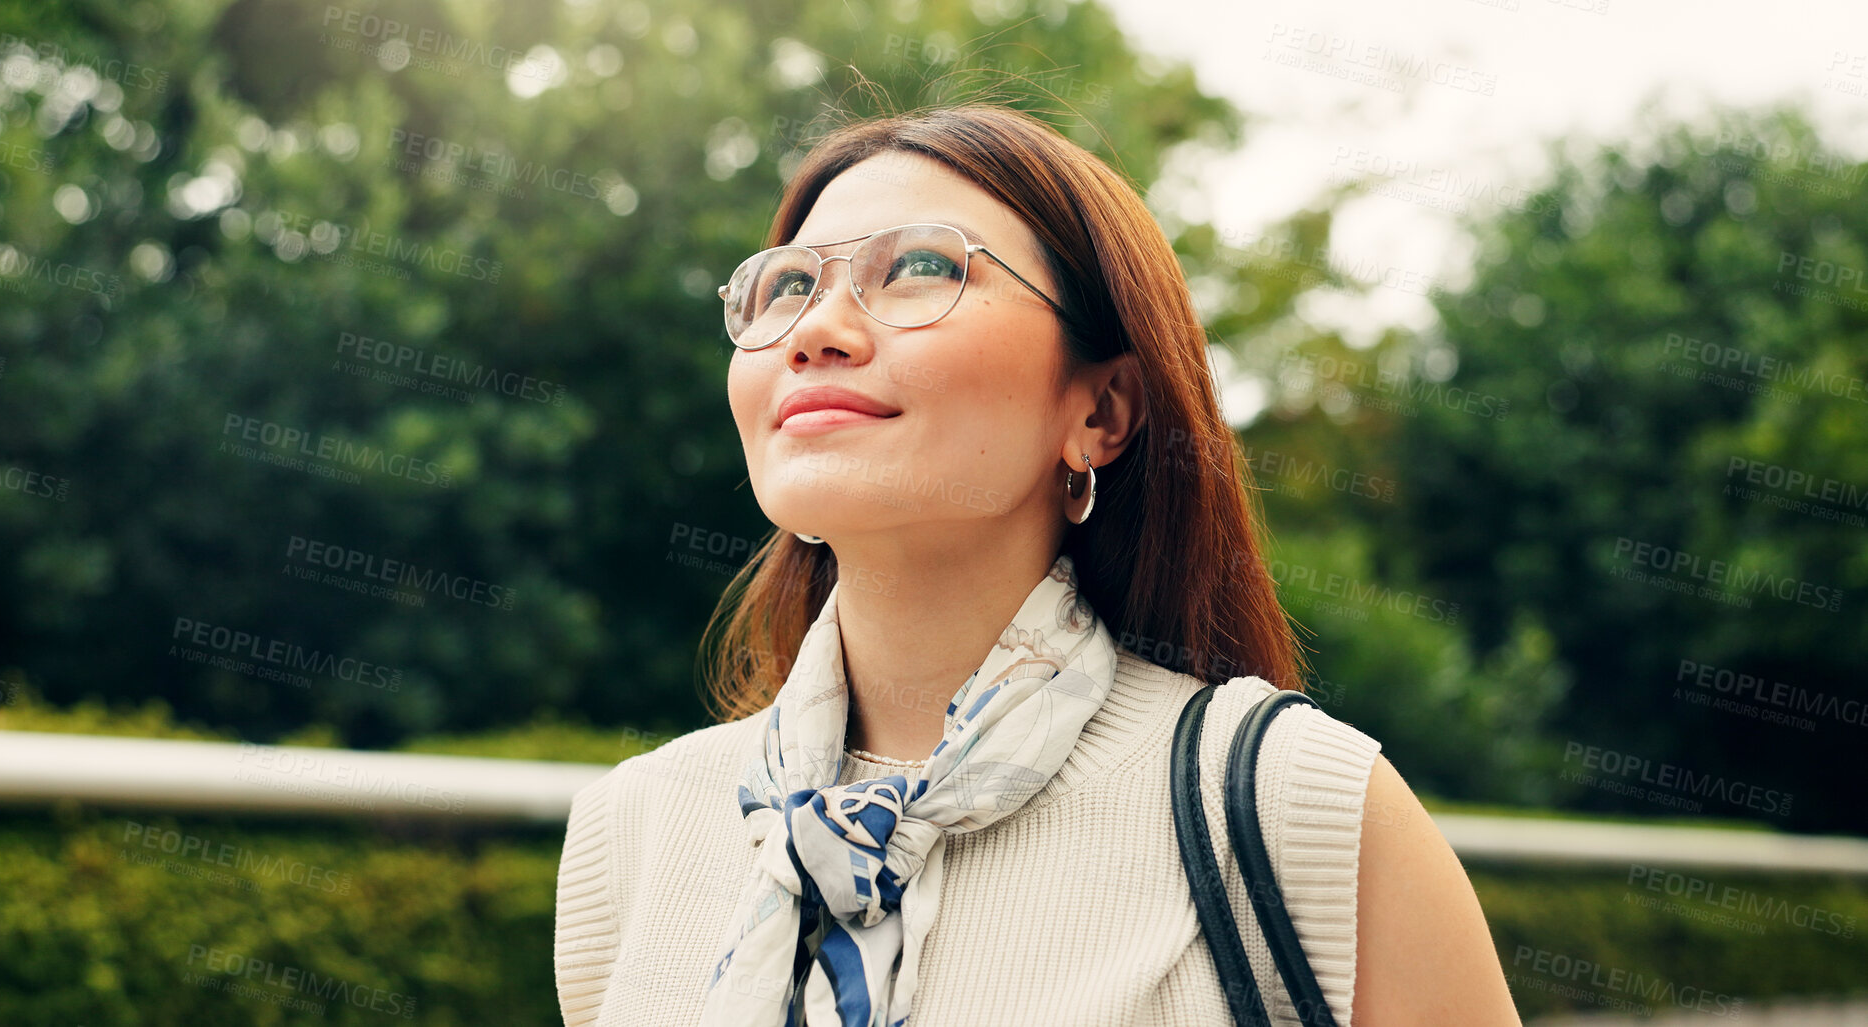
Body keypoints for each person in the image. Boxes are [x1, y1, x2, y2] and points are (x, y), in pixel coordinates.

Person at [555, 104, 1519, 1026]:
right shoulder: (631, 832)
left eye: (920, 269)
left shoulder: (1293, 804)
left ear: (1099, 413)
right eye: (788, 285)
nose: (816, 329)